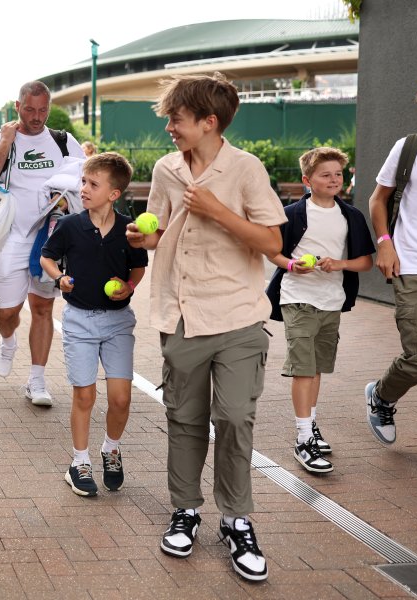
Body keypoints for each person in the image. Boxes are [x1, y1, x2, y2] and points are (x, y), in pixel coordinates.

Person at [126, 73, 286, 582]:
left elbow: (270, 241)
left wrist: (217, 210)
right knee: (185, 418)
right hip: (180, 314)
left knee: (236, 417)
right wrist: (141, 238)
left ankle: (237, 520)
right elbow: (159, 227)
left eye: (176, 118)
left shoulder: (246, 169)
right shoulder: (167, 169)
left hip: (238, 314)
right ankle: (186, 510)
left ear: (208, 122)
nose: (169, 127)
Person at [40, 152, 147, 497]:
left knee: (120, 398)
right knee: (85, 395)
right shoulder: (70, 225)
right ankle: (80, 461)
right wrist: (59, 279)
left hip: (118, 323)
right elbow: (46, 257)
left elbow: (138, 267)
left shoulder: (128, 228)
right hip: (79, 321)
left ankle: (110, 449)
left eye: (92, 184)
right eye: (83, 182)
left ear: (114, 194)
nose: (83, 189)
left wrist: (128, 288)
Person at [264, 147, 374, 474]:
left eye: (338, 174)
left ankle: (310, 426)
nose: (334, 179)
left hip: (331, 300)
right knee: (303, 367)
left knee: (316, 368)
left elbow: (366, 262)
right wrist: (291, 265)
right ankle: (302, 439)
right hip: (297, 296)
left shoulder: (351, 217)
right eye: (325, 175)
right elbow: (272, 252)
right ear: (307, 180)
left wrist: (339, 263)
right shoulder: (293, 214)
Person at [366, 71, 417, 480]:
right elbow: (378, 198)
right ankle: (382, 395)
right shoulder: (411, 147)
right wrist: (385, 241)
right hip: (412, 263)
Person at [0, 81, 86, 407]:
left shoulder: (62, 141)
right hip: (11, 237)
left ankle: (37, 380)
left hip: (51, 238)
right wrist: (6, 140)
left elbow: (85, 183)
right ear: (18, 106)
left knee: (43, 308)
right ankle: (7, 340)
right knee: (7, 311)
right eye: (30, 110)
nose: (37, 117)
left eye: (43, 110)